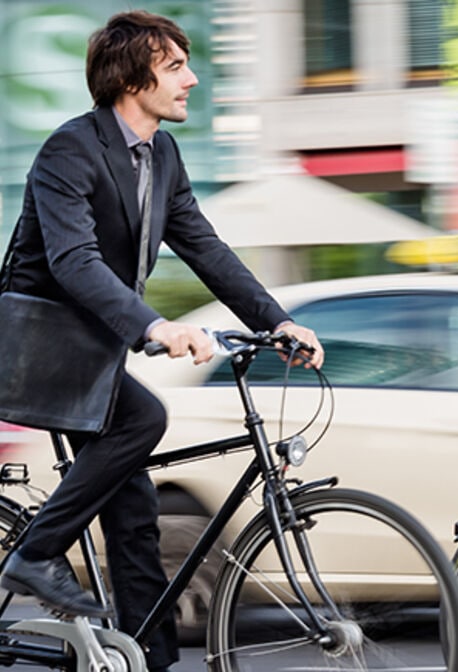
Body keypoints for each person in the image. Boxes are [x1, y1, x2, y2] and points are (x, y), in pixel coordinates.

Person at [0, 11, 323, 672]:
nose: (192, 80)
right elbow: (74, 262)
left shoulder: (162, 154)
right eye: (176, 66)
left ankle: (151, 659)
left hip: (90, 356)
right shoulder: (71, 150)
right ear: (130, 77)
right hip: (38, 349)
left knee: (136, 511)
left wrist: (276, 319)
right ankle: (33, 555)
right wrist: (154, 326)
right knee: (145, 417)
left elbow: (206, 247)